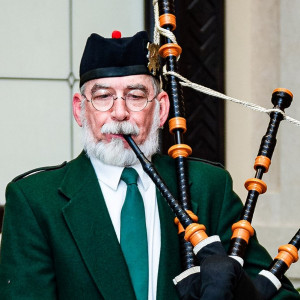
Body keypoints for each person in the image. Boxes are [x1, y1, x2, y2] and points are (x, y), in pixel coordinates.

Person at [0, 31, 299, 300]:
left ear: (161, 110)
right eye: (103, 96)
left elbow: (279, 294)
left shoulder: (209, 187)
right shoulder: (35, 201)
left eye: (136, 96)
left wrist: (244, 293)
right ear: (80, 110)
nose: (119, 113)